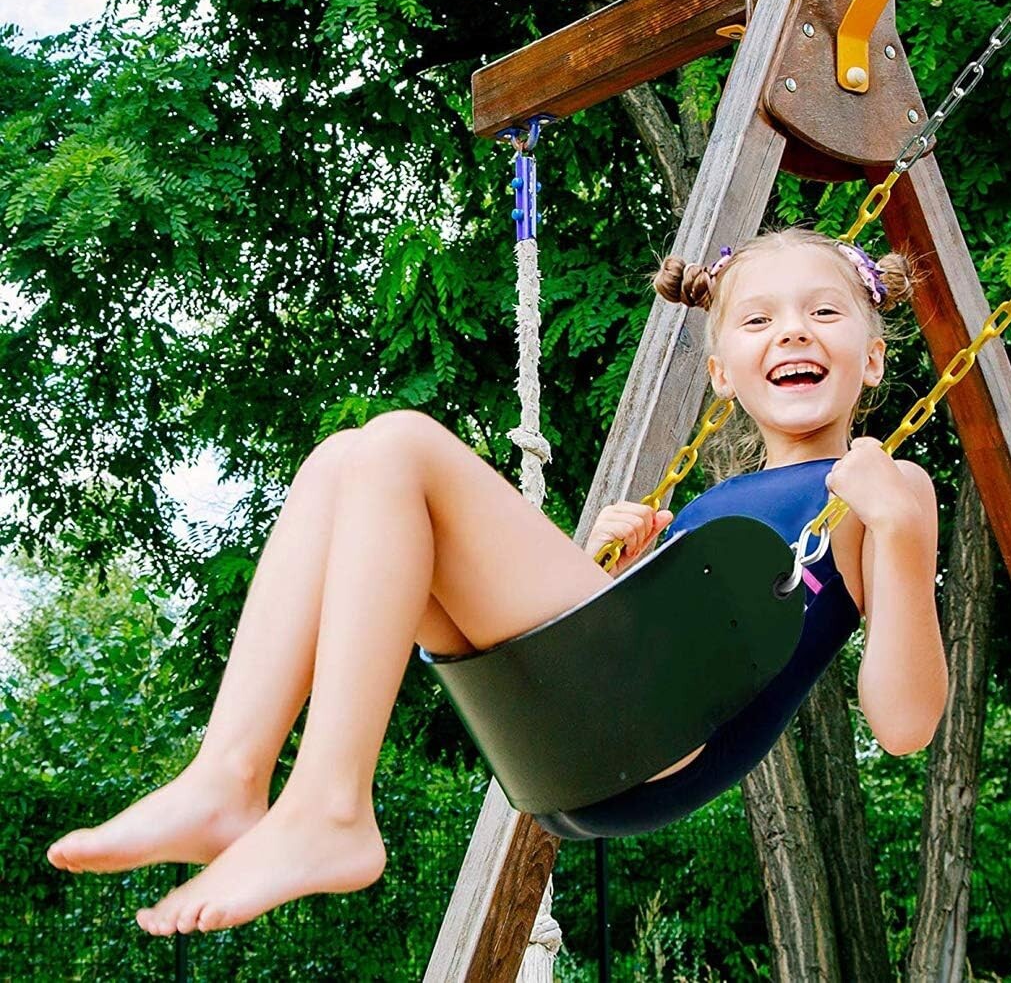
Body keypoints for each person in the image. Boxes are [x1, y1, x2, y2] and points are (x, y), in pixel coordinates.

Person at [45, 225, 947, 936]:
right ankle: (227, 780)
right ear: (722, 375)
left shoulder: (885, 487)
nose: (792, 331)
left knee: (397, 443)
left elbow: (905, 727)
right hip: (576, 728)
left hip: (658, 735)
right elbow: (682, 633)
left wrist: (902, 535)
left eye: (825, 315)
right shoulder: (733, 497)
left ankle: (328, 806)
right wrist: (612, 571)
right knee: (340, 464)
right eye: (759, 321)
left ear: (871, 357)